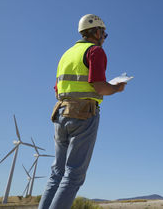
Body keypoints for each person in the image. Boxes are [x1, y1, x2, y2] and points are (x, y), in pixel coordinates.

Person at [39, 14, 126, 209]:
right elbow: (99, 87)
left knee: (57, 173)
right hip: (83, 113)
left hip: (60, 112)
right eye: (104, 34)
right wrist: (116, 88)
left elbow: (57, 90)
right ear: (96, 32)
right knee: (74, 175)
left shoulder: (67, 54)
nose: (104, 38)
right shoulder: (95, 51)